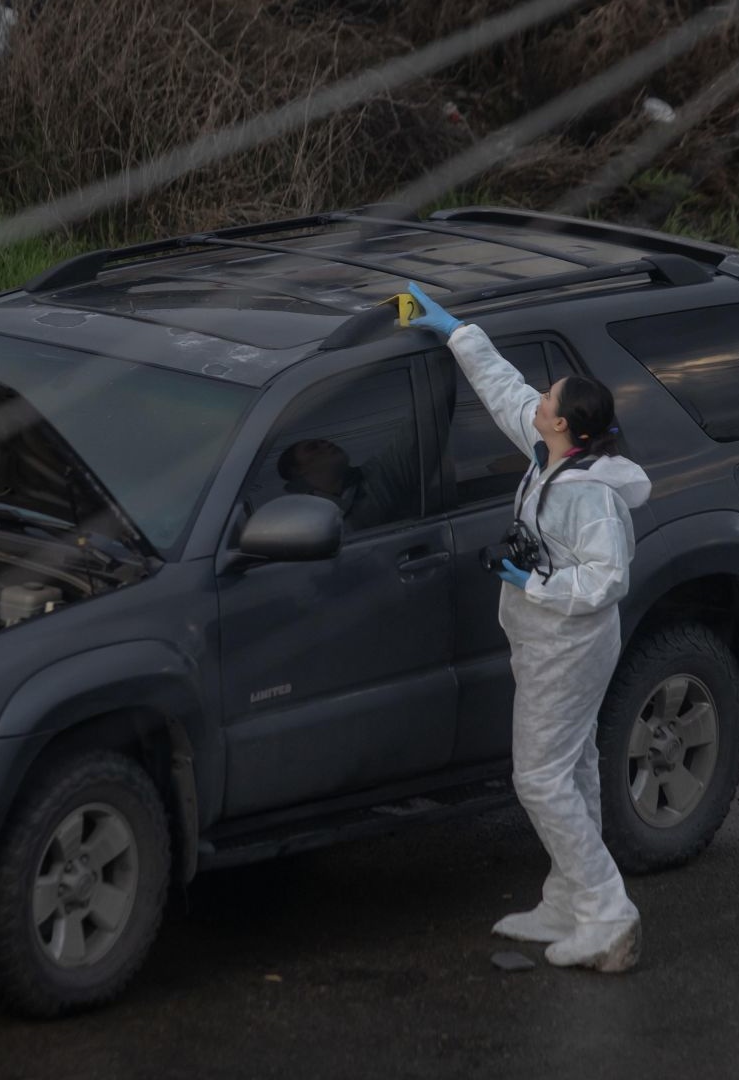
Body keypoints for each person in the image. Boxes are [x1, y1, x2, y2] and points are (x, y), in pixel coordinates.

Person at [404, 281, 651, 974]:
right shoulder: (549, 453)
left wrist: (535, 582)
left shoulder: (592, 495)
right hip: (543, 640)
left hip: (568, 645)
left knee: (539, 778)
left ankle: (607, 912)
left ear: (566, 426)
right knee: (570, 767)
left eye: (550, 400)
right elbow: (502, 387)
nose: (538, 401)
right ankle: (567, 899)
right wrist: (453, 330)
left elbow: (609, 580)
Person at [276, 434, 419, 532]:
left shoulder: (382, 472)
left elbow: (419, 428)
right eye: (313, 447)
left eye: (323, 441)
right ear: (298, 471)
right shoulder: (306, 526)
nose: (326, 443)